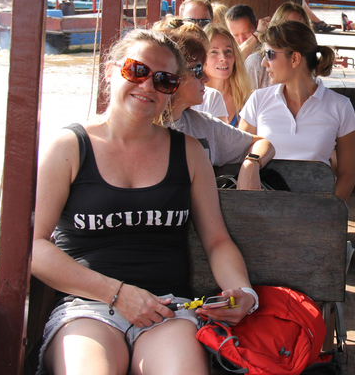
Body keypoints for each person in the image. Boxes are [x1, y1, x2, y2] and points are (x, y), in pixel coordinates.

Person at [32, 29, 258, 375]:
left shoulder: (188, 152)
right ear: (110, 71)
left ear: (173, 89)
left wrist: (242, 291)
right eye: (136, 71)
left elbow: (216, 241)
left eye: (164, 80)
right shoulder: (69, 147)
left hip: (168, 310)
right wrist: (117, 293)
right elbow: (34, 247)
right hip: (88, 308)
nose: (147, 86)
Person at [240, 20, 355, 202]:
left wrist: (324, 213)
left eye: (269, 54)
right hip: (263, 207)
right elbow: (238, 156)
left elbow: (348, 174)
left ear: (295, 59)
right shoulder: (258, 100)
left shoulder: (340, 106)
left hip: (318, 207)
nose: (264, 62)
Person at [159, 22, 276, 189]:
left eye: (229, 51)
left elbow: (264, 143)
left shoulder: (204, 125)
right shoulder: (144, 125)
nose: (205, 78)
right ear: (175, 75)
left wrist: (251, 164)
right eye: (198, 70)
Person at [245, 2, 311, 91]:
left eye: (299, 28)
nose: (293, 33)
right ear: (275, 28)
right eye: (287, 27)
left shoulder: (306, 64)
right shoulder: (256, 63)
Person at [204, 26, 253, 127]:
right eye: (214, 52)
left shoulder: (247, 98)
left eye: (228, 51)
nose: (223, 58)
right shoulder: (195, 100)